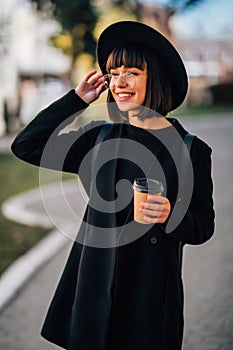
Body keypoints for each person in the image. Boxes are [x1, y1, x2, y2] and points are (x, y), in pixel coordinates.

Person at [11, 21, 215, 350]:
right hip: (93, 292)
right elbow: (26, 146)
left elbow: (204, 226)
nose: (120, 82)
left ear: (156, 76)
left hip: (150, 300)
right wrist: (75, 101)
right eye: (113, 73)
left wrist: (169, 215)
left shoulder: (192, 150)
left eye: (132, 72)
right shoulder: (97, 138)